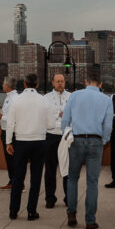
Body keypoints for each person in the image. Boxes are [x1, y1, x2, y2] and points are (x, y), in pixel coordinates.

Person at [61, 70, 113, 229]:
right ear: (100, 84)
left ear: (86, 82)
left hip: (76, 140)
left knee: (72, 178)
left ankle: (71, 213)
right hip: (95, 141)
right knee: (92, 182)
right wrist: (103, 141)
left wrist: (67, 137)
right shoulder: (106, 99)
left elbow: (65, 120)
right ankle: (90, 220)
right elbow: (108, 126)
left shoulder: (75, 96)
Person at [5, 73, 48, 220]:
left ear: (24, 84)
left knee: (17, 176)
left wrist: (8, 142)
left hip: (21, 141)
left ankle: (13, 210)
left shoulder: (16, 100)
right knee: (35, 177)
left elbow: (10, 123)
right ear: (37, 84)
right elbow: (49, 124)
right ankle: (31, 211)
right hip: (39, 141)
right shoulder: (44, 100)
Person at [44, 73, 71, 209]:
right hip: (51, 135)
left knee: (67, 169)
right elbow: (43, 115)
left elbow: (74, 114)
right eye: (57, 81)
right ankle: (50, 198)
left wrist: (64, 115)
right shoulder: (46, 98)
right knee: (50, 169)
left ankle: (68, 198)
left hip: (66, 135)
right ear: (53, 83)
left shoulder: (71, 97)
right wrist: (58, 114)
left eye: (62, 81)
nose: (60, 83)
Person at [0, 77, 18, 190]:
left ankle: (17, 183)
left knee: (12, 159)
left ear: (8, 85)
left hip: (11, 133)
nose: (2, 85)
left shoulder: (14, 98)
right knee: (9, 160)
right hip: (5, 131)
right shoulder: (8, 97)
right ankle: (12, 181)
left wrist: (1, 116)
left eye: (3, 83)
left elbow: (14, 118)